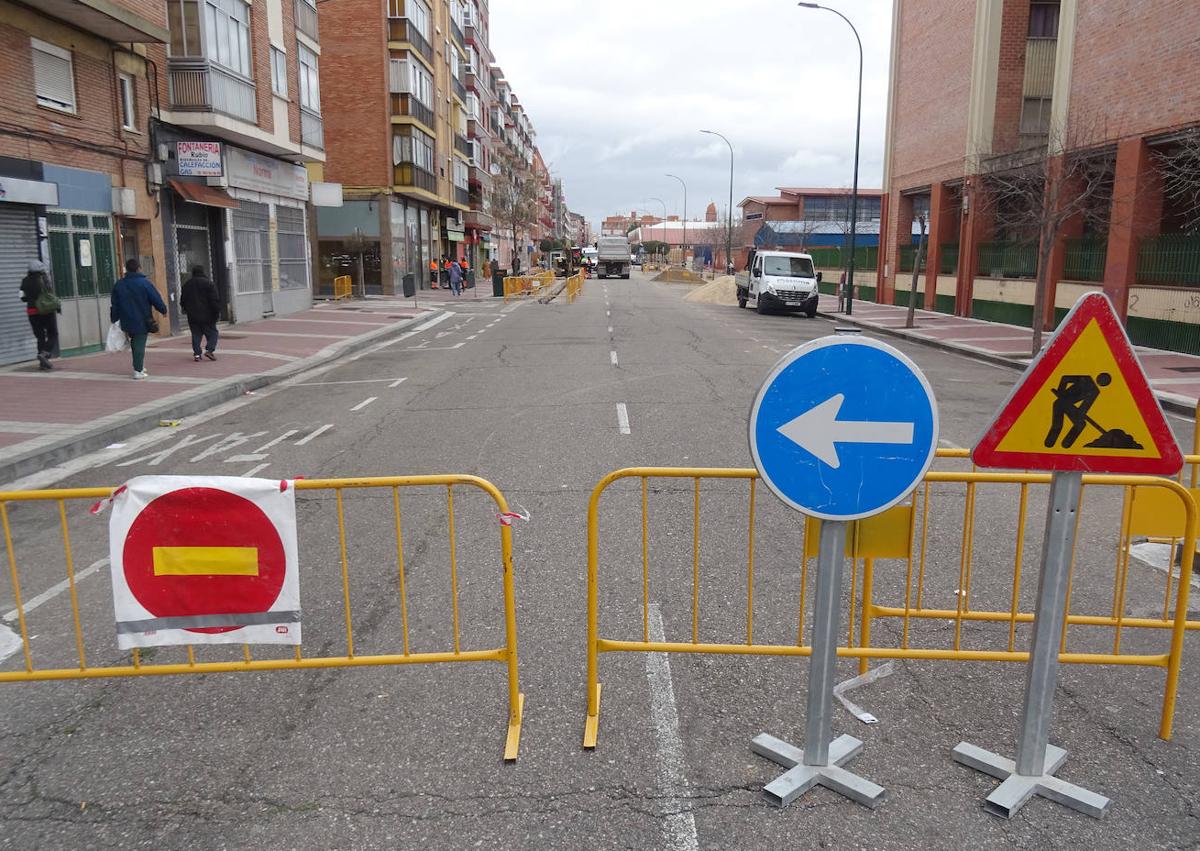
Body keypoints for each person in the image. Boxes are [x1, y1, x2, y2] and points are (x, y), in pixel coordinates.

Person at [110, 258, 167, 380]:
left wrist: (114, 319)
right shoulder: (145, 283)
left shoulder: (119, 284)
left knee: (135, 342)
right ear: (139, 268)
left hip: (126, 319)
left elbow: (114, 304)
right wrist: (163, 310)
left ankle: (139, 365)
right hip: (142, 318)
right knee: (139, 343)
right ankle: (138, 370)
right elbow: (155, 298)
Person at [19, 260, 59, 370]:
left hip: (32, 312)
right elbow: (50, 293)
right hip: (45, 310)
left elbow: (22, 297)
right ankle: (45, 354)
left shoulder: (24, 281)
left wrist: (31, 299)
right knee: (53, 333)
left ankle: (42, 363)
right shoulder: (44, 278)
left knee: (40, 336)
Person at [180, 265, 221, 362]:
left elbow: (183, 300)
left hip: (192, 315)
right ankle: (209, 350)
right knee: (213, 333)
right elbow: (214, 300)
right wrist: (217, 312)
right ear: (203, 272)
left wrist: (186, 309)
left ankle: (197, 354)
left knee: (196, 334)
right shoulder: (209, 284)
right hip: (208, 315)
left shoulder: (187, 284)